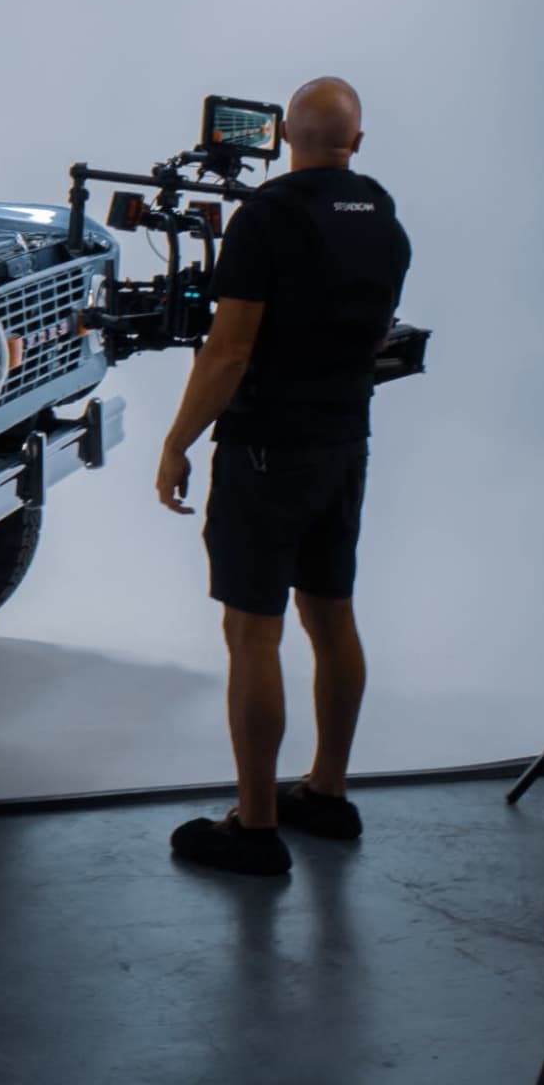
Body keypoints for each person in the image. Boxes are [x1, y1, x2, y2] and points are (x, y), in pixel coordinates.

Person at [151, 76, 411, 878]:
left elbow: (228, 351)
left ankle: (256, 826)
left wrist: (177, 442)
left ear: (286, 141)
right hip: (344, 445)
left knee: (251, 630)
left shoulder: (263, 220)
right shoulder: (385, 218)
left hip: (267, 449)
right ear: (355, 143)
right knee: (332, 617)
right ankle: (326, 794)